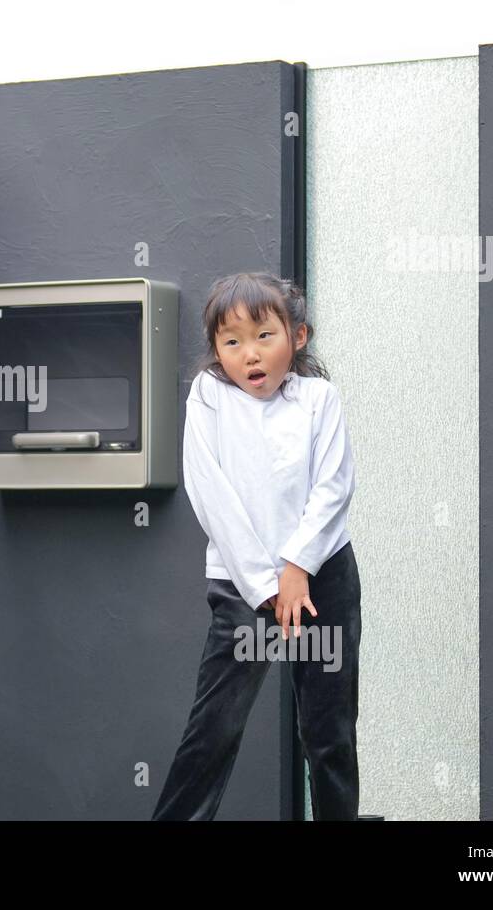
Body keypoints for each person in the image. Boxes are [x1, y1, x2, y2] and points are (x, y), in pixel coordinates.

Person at [151, 270, 362, 820]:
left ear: (298, 336)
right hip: (244, 588)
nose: (250, 354)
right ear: (216, 349)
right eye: (232, 341)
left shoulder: (319, 398)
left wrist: (297, 567)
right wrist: (267, 585)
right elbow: (211, 495)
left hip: (323, 583)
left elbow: (333, 487)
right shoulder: (209, 397)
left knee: (330, 733)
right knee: (212, 731)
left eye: (264, 335)